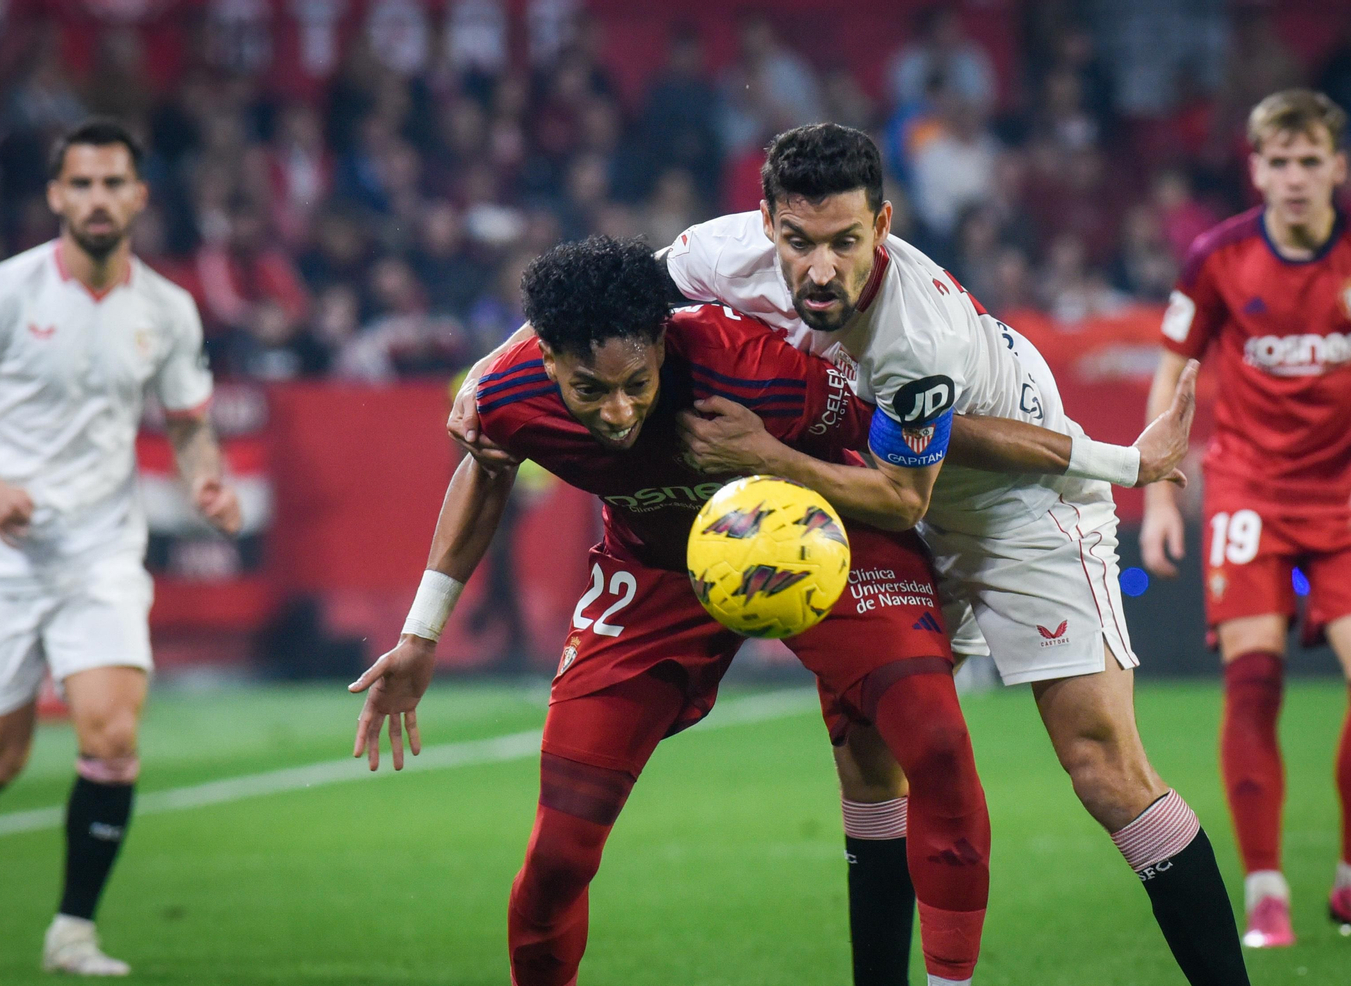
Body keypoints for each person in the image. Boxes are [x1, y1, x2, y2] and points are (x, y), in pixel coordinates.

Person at [449, 125, 1243, 986]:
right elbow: (595, 303)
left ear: (883, 226)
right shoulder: (717, 253)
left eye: (844, 243)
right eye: (799, 242)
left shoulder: (913, 337)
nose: (820, 270)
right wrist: (488, 373)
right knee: (873, 761)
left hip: (1009, 508)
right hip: (865, 479)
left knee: (1102, 766)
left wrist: (1122, 464)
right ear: (765, 226)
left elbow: (918, 490)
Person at [351, 236, 993, 986]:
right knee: (559, 855)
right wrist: (422, 635)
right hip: (655, 573)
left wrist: (1080, 456)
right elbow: (487, 468)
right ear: (547, 359)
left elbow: (903, 434)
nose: (618, 410)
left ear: (663, 339)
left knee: (939, 745)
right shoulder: (507, 393)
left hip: (823, 541)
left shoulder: (753, 368)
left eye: (637, 383)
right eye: (589, 390)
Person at [0, 119, 241, 975]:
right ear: (57, 196)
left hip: (100, 550)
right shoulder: (2, 293)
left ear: (138, 195)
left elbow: (189, 419)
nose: (98, 199)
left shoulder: (166, 308)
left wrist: (205, 478)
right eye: (82, 184)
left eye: (113, 183)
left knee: (110, 734)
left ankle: (72, 932)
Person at [1140, 89, 1351, 948]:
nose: (1296, 177)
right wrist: (1160, 493)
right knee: (1254, 674)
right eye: (1280, 161)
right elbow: (1170, 375)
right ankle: (1266, 891)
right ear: (1256, 168)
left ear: (1339, 167)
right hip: (1250, 490)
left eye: (1312, 161)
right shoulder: (1217, 256)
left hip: (1350, 488)